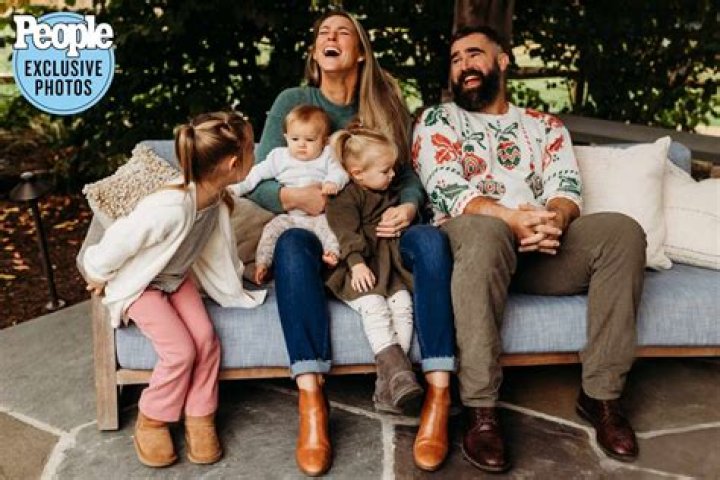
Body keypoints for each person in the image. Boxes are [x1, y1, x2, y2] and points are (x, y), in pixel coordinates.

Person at [412, 26, 646, 472]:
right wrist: (511, 220)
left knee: (621, 232)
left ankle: (601, 396)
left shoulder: (545, 126)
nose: (463, 65)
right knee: (486, 232)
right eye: (456, 59)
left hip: (541, 249)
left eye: (474, 54)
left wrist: (552, 220)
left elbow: (566, 188)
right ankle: (480, 408)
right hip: (474, 247)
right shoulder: (437, 120)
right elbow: (446, 187)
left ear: (503, 60)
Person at [247, 10, 456, 476]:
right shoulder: (293, 102)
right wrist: (292, 197)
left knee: (431, 243)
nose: (331, 36)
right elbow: (260, 178)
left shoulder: (384, 103)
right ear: (314, 51)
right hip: (318, 232)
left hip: (385, 230)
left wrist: (408, 207)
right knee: (290, 246)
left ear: (360, 52)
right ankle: (312, 401)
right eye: (323, 31)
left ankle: (438, 392)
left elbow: (409, 176)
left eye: (343, 32)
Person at [82, 111, 266, 468]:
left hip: (174, 279)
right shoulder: (169, 207)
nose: (254, 157)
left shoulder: (215, 194)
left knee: (206, 339)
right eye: (251, 151)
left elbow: (221, 237)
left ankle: (200, 414)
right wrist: (97, 272)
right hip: (142, 285)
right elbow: (121, 239)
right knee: (180, 351)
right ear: (232, 164)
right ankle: (153, 417)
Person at [326, 126, 421, 413]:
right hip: (359, 267)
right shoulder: (344, 197)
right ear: (357, 173)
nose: (392, 175)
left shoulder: (389, 191)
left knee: (403, 305)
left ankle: (390, 385)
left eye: (392, 169)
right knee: (374, 307)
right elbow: (346, 233)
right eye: (385, 171)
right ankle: (401, 375)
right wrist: (356, 264)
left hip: (390, 267)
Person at [231, 105, 348, 284]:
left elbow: (341, 173)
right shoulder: (279, 157)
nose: (301, 144)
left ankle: (331, 254)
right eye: (295, 139)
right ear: (286, 137)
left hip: (320, 217)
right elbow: (255, 174)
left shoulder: (327, 156)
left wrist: (333, 182)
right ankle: (262, 263)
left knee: (333, 228)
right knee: (271, 230)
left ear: (324, 141)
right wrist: (237, 189)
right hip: (290, 217)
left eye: (310, 139)